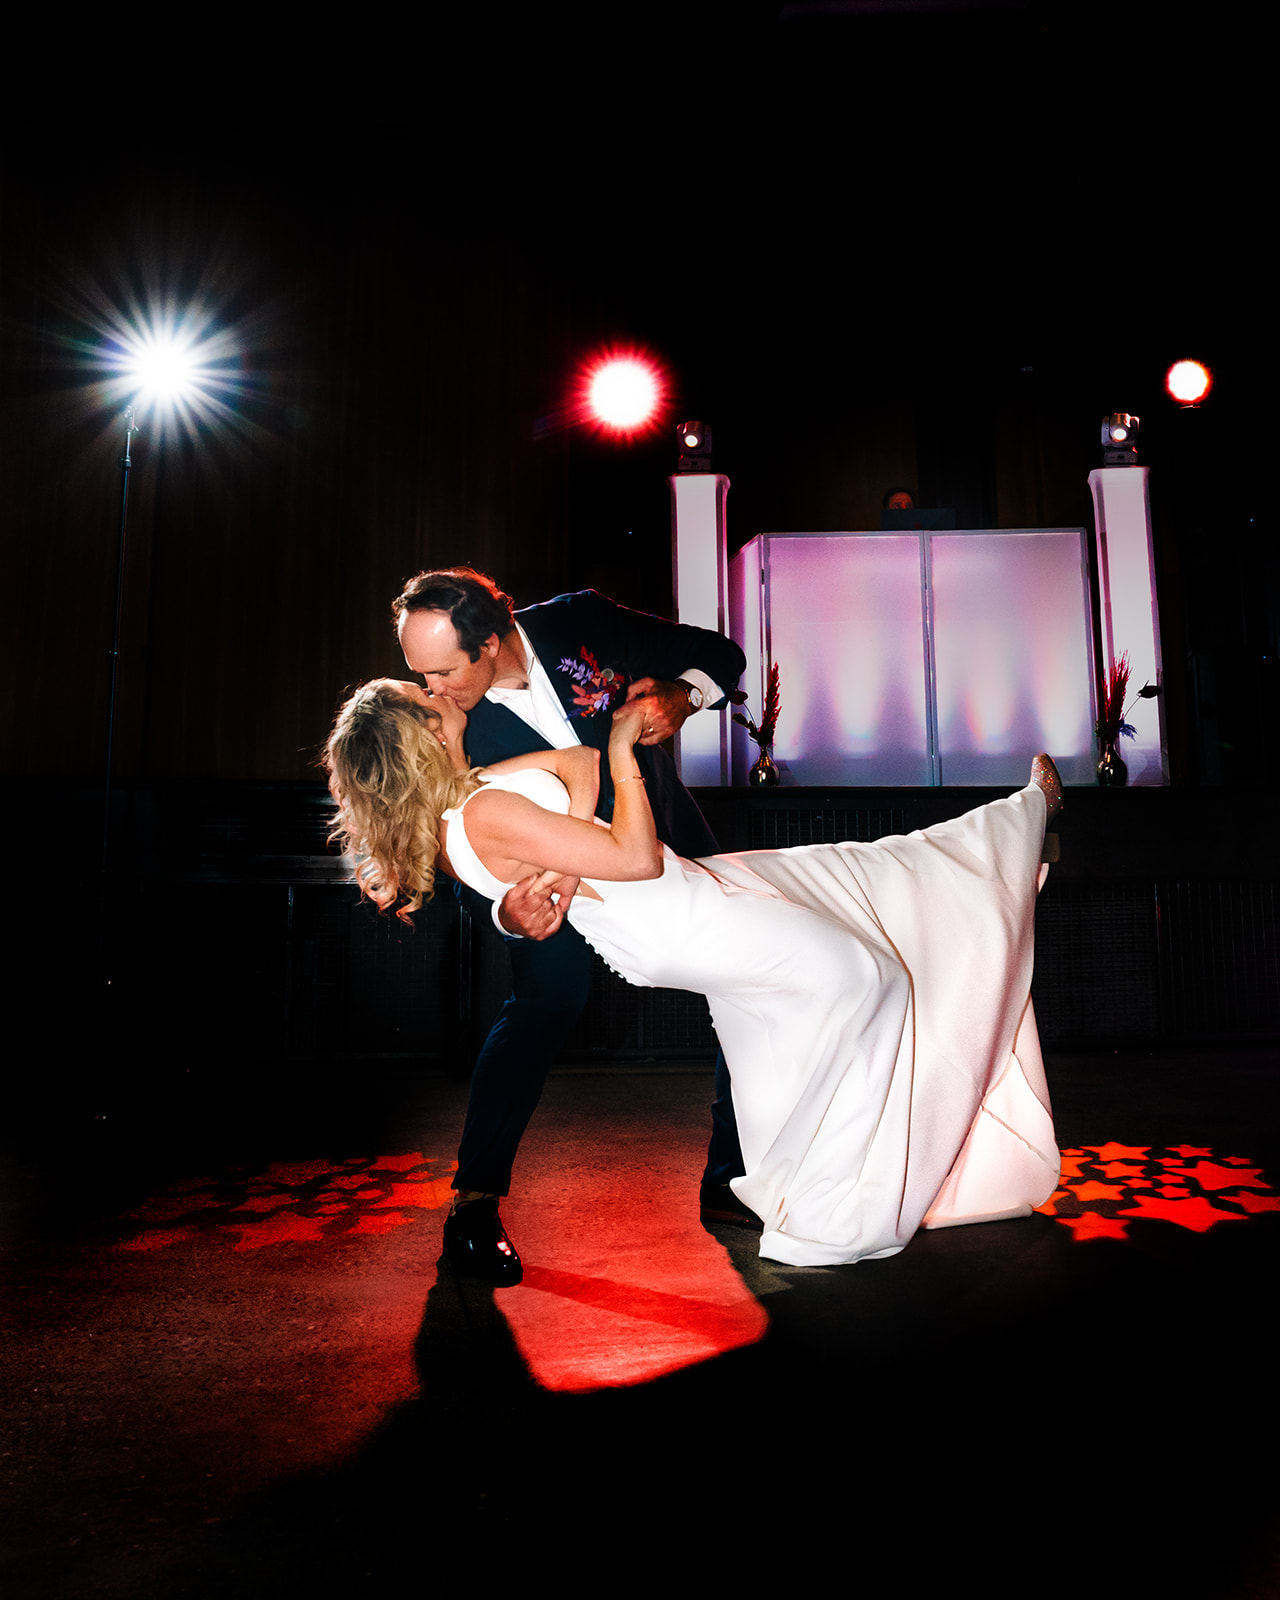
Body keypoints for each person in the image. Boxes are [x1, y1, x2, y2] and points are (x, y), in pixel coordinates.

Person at [325, 679, 1063, 1271]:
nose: (443, 696)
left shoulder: (466, 798)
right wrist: (621, 752)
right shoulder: (482, 810)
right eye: (428, 701)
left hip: (677, 898)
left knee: (847, 876)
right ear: (418, 737)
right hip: (670, 915)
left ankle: (1011, 828)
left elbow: (569, 770)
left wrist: (563, 865)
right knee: (873, 983)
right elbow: (634, 853)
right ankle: (835, 1218)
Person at [390, 568, 749, 1284]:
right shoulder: (443, 723)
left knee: (746, 985)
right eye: (417, 673)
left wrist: (684, 693)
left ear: (490, 642)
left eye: (441, 671)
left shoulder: (580, 620)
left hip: (668, 841)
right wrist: (501, 911)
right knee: (543, 1007)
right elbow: (451, 842)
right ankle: (474, 1206)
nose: (430, 690)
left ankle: (733, 1180)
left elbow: (722, 656)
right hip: (560, 885)